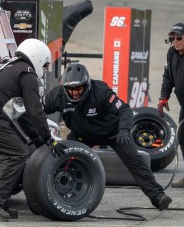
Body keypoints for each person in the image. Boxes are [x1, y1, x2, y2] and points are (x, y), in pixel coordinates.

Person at [0, 38, 67, 221]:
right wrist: (48, 138)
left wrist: (38, 137)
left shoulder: (4, 65)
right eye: (45, 65)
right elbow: (35, 111)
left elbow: (20, 115)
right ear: (38, 57)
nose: (45, 70)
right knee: (18, 154)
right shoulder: (28, 73)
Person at [42, 63, 172, 211]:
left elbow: (125, 110)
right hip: (81, 135)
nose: (75, 93)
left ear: (87, 84)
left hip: (113, 133)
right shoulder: (58, 95)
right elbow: (37, 108)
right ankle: (55, 195)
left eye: (79, 88)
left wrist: (124, 130)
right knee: (62, 158)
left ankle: (158, 196)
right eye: (70, 89)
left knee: (134, 160)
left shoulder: (101, 91)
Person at [157, 23, 184, 188]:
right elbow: (168, 76)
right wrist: (163, 97)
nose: (175, 41)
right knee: (182, 138)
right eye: (172, 38)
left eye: (179, 38)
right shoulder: (172, 53)